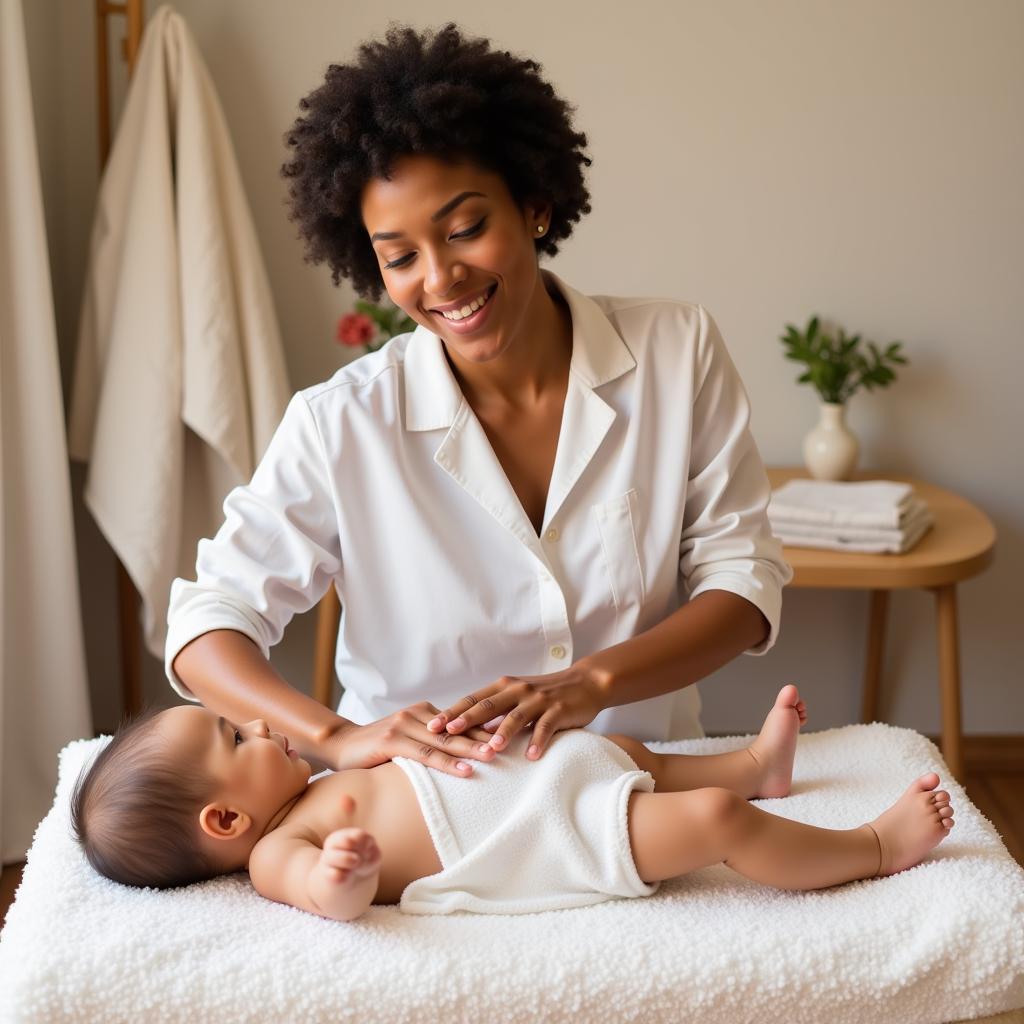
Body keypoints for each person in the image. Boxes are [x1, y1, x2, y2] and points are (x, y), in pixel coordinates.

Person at [165, 22, 793, 781]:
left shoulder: (674, 349)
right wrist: (333, 737)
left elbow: (742, 579)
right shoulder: (342, 421)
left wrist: (593, 682)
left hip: (641, 782)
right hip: (420, 798)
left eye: (465, 229)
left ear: (533, 204)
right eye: (399, 256)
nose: (440, 279)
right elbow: (208, 621)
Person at [70, 685, 955, 920]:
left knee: (633, 754)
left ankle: (754, 766)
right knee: (708, 830)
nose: (262, 729)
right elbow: (320, 894)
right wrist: (342, 876)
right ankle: (871, 847)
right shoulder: (277, 850)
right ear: (224, 822)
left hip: (550, 780)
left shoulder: (318, 781)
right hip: (548, 836)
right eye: (235, 740)